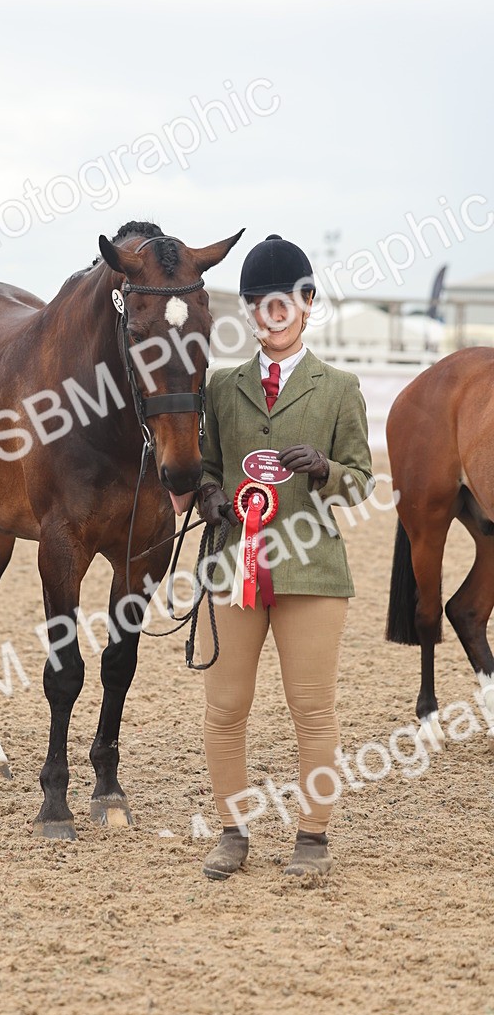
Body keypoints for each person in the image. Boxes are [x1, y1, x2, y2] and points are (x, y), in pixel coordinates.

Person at [194, 234, 374, 880]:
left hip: (311, 569)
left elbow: (361, 480)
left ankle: (313, 837)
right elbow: (206, 469)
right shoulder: (220, 387)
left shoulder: (339, 388)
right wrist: (211, 493)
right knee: (225, 708)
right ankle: (232, 832)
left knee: (312, 709)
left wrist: (326, 468)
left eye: (281, 303)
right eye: (257, 305)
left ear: (305, 302)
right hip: (233, 565)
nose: (270, 316)